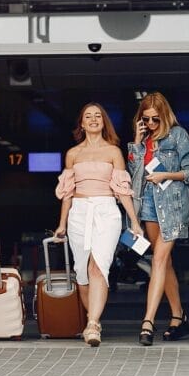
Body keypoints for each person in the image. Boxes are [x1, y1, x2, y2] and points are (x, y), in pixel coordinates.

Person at [54, 102, 143, 347]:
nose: (93, 119)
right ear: (81, 124)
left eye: (98, 116)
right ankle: (94, 320)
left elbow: (123, 190)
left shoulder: (113, 151)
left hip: (106, 211)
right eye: (88, 116)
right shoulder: (73, 153)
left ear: (104, 122)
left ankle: (92, 324)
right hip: (79, 214)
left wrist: (134, 222)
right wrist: (61, 224)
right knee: (82, 274)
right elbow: (67, 193)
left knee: (98, 267)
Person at [127, 92, 189, 345]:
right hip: (148, 204)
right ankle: (178, 318)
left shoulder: (178, 136)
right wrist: (137, 142)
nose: (150, 124)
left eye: (155, 119)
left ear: (165, 116)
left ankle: (147, 322)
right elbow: (134, 176)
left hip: (172, 205)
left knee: (158, 260)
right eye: (145, 119)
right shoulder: (143, 140)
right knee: (164, 263)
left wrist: (165, 175)